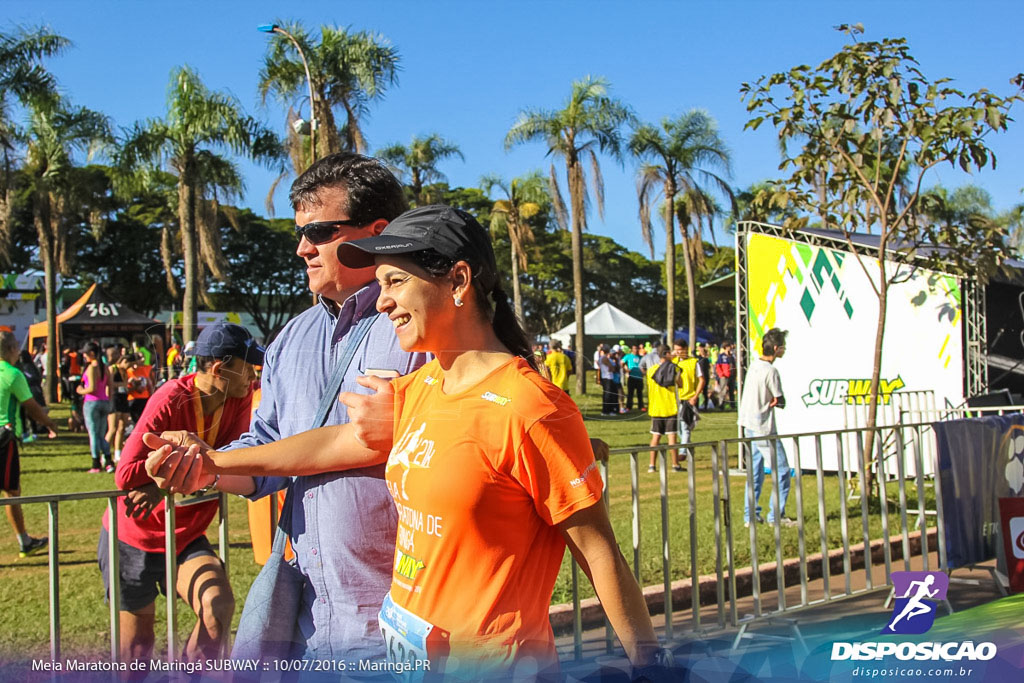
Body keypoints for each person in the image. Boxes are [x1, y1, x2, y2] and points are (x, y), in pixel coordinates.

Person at [146, 206, 665, 678]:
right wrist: (213, 459)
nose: (384, 299)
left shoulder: (531, 407)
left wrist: (649, 665)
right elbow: (328, 446)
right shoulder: (419, 388)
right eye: (380, 283)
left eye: (395, 281)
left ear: (458, 280)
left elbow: (600, 554)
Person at [99, 322, 261, 664]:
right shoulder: (170, 397)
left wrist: (166, 477)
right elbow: (125, 475)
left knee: (218, 608)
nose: (253, 374)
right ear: (220, 369)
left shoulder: (239, 398)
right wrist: (168, 472)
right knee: (136, 650)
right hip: (134, 535)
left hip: (185, 534)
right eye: (247, 366)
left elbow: (229, 460)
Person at [0, 331, 58, 557]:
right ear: (13, 350)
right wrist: (50, 423)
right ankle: (24, 541)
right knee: (12, 492)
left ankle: (25, 541)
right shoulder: (13, 374)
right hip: (5, 439)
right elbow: (31, 406)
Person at [738, 328, 793, 527]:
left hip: (748, 424)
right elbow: (779, 399)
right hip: (763, 427)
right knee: (783, 471)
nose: (784, 351)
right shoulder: (771, 371)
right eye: (783, 348)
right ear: (776, 349)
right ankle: (776, 516)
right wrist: (778, 401)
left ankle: (750, 515)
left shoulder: (754, 366)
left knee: (755, 472)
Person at [77, 342, 114, 473]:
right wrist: (109, 400)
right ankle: (109, 461)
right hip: (104, 401)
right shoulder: (105, 368)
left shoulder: (92, 368)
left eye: (86, 353)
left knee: (93, 434)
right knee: (101, 434)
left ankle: (96, 463)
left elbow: (92, 387)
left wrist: (80, 390)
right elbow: (110, 385)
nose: (84, 356)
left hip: (92, 403)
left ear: (92, 353)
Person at [646, 344, 683, 473]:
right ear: (667, 354)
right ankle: (675, 464)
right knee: (672, 437)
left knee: (655, 437)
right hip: (670, 407)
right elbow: (681, 383)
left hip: (656, 407)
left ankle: (652, 465)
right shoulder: (674, 369)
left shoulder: (651, 371)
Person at [672, 340, 705, 459]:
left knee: (685, 426)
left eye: (680, 350)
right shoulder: (673, 362)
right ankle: (688, 447)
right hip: (676, 399)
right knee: (679, 429)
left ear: (685, 349)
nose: (677, 352)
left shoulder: (694, 362)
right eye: (676, 349)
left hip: (689, 399)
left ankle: (683, 452)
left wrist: (695, 396)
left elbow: (702, 380)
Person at [106, 354, 132, 461]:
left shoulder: (125, 372)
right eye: (126, 363)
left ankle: (118, 452)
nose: (127, 366)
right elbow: (110, 383)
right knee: (113, 428)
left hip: (124, 398)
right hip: (115, 398)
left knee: (122, 427)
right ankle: (105, 452)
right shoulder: (113, 369)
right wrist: (124, 384)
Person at [126, 354, 153, 424]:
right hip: (133, 399)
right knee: (137, 421)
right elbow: (126, 388)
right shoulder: (127, 372)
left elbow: (149, 384)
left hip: (144, 398)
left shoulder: (143, 370)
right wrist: (135, 387)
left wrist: (151, 397)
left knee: (144, 420)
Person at [622, 343, 645, 411]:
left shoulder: (640, 357)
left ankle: (641, 406)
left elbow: (644, 365)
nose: (636, 350)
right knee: (630, 393)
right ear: (632, 349)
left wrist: (643, 372)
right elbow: (622, 363)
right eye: (634, 348)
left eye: (637, 348)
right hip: (631, 377)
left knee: (640, 393)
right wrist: (626, 370)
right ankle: (629, 406)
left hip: (639, 377)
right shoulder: (628, 356)